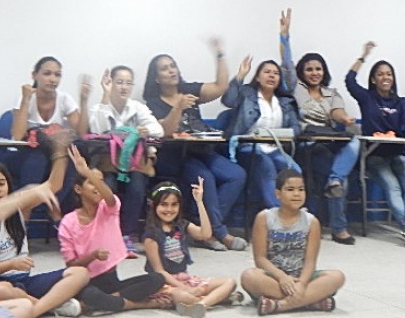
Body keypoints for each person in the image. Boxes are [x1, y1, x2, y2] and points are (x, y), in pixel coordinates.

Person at [0, 130, 89, 318]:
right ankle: (50, 307)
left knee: (80, 273)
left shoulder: (18, 208)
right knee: (1, 290)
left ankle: (38, 309)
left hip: (23, 280)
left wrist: (59, 152)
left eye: (2, 183)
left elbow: (53, 186)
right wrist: (11, 263)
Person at [143, 42, 247, 252]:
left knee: (236, 174)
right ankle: (220, 233)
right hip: (176, 156)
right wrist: (178, 107)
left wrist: (219, 54)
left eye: (173, 66)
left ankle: (202, 225)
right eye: (164, 69)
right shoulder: (152, 103)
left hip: (202, 150)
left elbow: (220, 87)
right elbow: (165, 132)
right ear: (156, 78)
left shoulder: (188, 89)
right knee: (205, 179)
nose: (171, 71)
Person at [278, 9, 360, 245]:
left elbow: (336, 112)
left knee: (355, 140)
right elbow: (286, 65)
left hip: (329, 140)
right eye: (309, 69)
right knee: (341, 179)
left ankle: (335, 180)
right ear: (302, 72)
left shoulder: (331, 93)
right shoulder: (296, 88)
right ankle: (339, 228)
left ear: (324, 72)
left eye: (318, 69)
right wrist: (284, 37)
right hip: (307, 144)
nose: (314, 73)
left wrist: (345, 119)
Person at [57, 145, 167, 313]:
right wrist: (92, 256)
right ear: (78, 189)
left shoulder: (108, 208)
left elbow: (109, 197)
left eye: (101, 182)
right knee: (90, 294)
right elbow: (70, 264)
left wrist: (88, 173)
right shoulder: (68, 222)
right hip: (88, 282)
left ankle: (99, 303)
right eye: (91, 182)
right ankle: (137, 304)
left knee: (157, 279)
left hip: (112, 279)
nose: (98, 187)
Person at [344, 42, 405, 248]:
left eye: (389, 74)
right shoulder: (366, 98)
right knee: (393, 185)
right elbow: (349, 81)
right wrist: (363, 56)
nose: (385, 77)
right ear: (374, 79)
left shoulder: (402, 102)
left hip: (397, 153)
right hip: (373, 156)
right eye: (380, 74)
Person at [240, 170, 345, 316]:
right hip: (274, 279)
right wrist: (282, 277)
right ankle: (310, 301)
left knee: (337, 277)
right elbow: (260, 259)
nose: (297, 194)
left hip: (302, 278)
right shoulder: (264, 218)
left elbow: (310, 262)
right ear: (278, 193)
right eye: (290, 189)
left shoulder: (312, 222)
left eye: (301, 189)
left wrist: (301, 284)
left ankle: (279, 305)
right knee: (249, 276)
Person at [89, 65, 164, 257]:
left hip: (133, 163)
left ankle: (126, 235)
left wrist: (146, 131)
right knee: (108, 188)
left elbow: (159, 130)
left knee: (137, 188)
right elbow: (98, 129)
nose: (124, 87)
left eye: (129, 83)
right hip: (107, 163)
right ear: (110, 83)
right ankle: (106, 235)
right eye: (119, 82)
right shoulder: (99, 107)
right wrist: (105, 96)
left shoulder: (137, 108)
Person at [143, 180, 242, 317]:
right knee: (183, 297)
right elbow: (159, 271)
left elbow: (205, 234)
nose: (169, 209)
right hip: (164, 284)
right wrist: (185, 288)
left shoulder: (181, 225)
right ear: (154, 205)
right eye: (164, 204)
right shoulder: (151, 236)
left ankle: (201, 305)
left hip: (185, 279)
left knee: (230, 282)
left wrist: (199, 202)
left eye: (174, 204)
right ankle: (218, 298)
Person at [8, 56, 90, 216]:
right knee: (36, 163)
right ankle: (25, 216)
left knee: (72, 160)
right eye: (47, 73)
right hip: (30, 150)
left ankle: (56, 213)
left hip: (57, 152)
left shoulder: (64, 99)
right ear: (35, 75)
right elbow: (17, 135)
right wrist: (26, 99)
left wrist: (84, 101)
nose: (53, 79)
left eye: (57, 75)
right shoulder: (26, 98)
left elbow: (82, 134)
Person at [0, 182, 66, 318]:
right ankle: (50, 306)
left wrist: (30, 192)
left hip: (16, 284)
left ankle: (45, 306)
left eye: (2, 183)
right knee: (3, 293)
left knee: (24, 305)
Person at [221, 57, 302, 209]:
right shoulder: (247, 93)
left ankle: (293, 211)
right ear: (257, 77)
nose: (272, 76)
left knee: (295, 171)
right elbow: (228, 101)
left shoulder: (285, 101)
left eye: (276, 73)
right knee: (266, 166)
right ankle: (277, 213)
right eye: (267, 72)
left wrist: (285, 133)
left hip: (274, 148)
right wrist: (240, 75)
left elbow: (296, 128)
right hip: (248, 148)